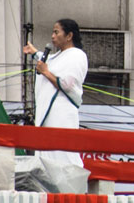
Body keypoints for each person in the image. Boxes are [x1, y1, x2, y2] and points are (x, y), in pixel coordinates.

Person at [22, 18, 88, 166]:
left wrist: (45, 72)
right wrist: (34, 52)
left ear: (69, 36)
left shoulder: (77, 55)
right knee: (47, 155)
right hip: (48, 115)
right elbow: (49, 63)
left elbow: (69, 84)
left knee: (62, 154)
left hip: (62, 112)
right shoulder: (58, 56)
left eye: (56, 32)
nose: (52, 36)